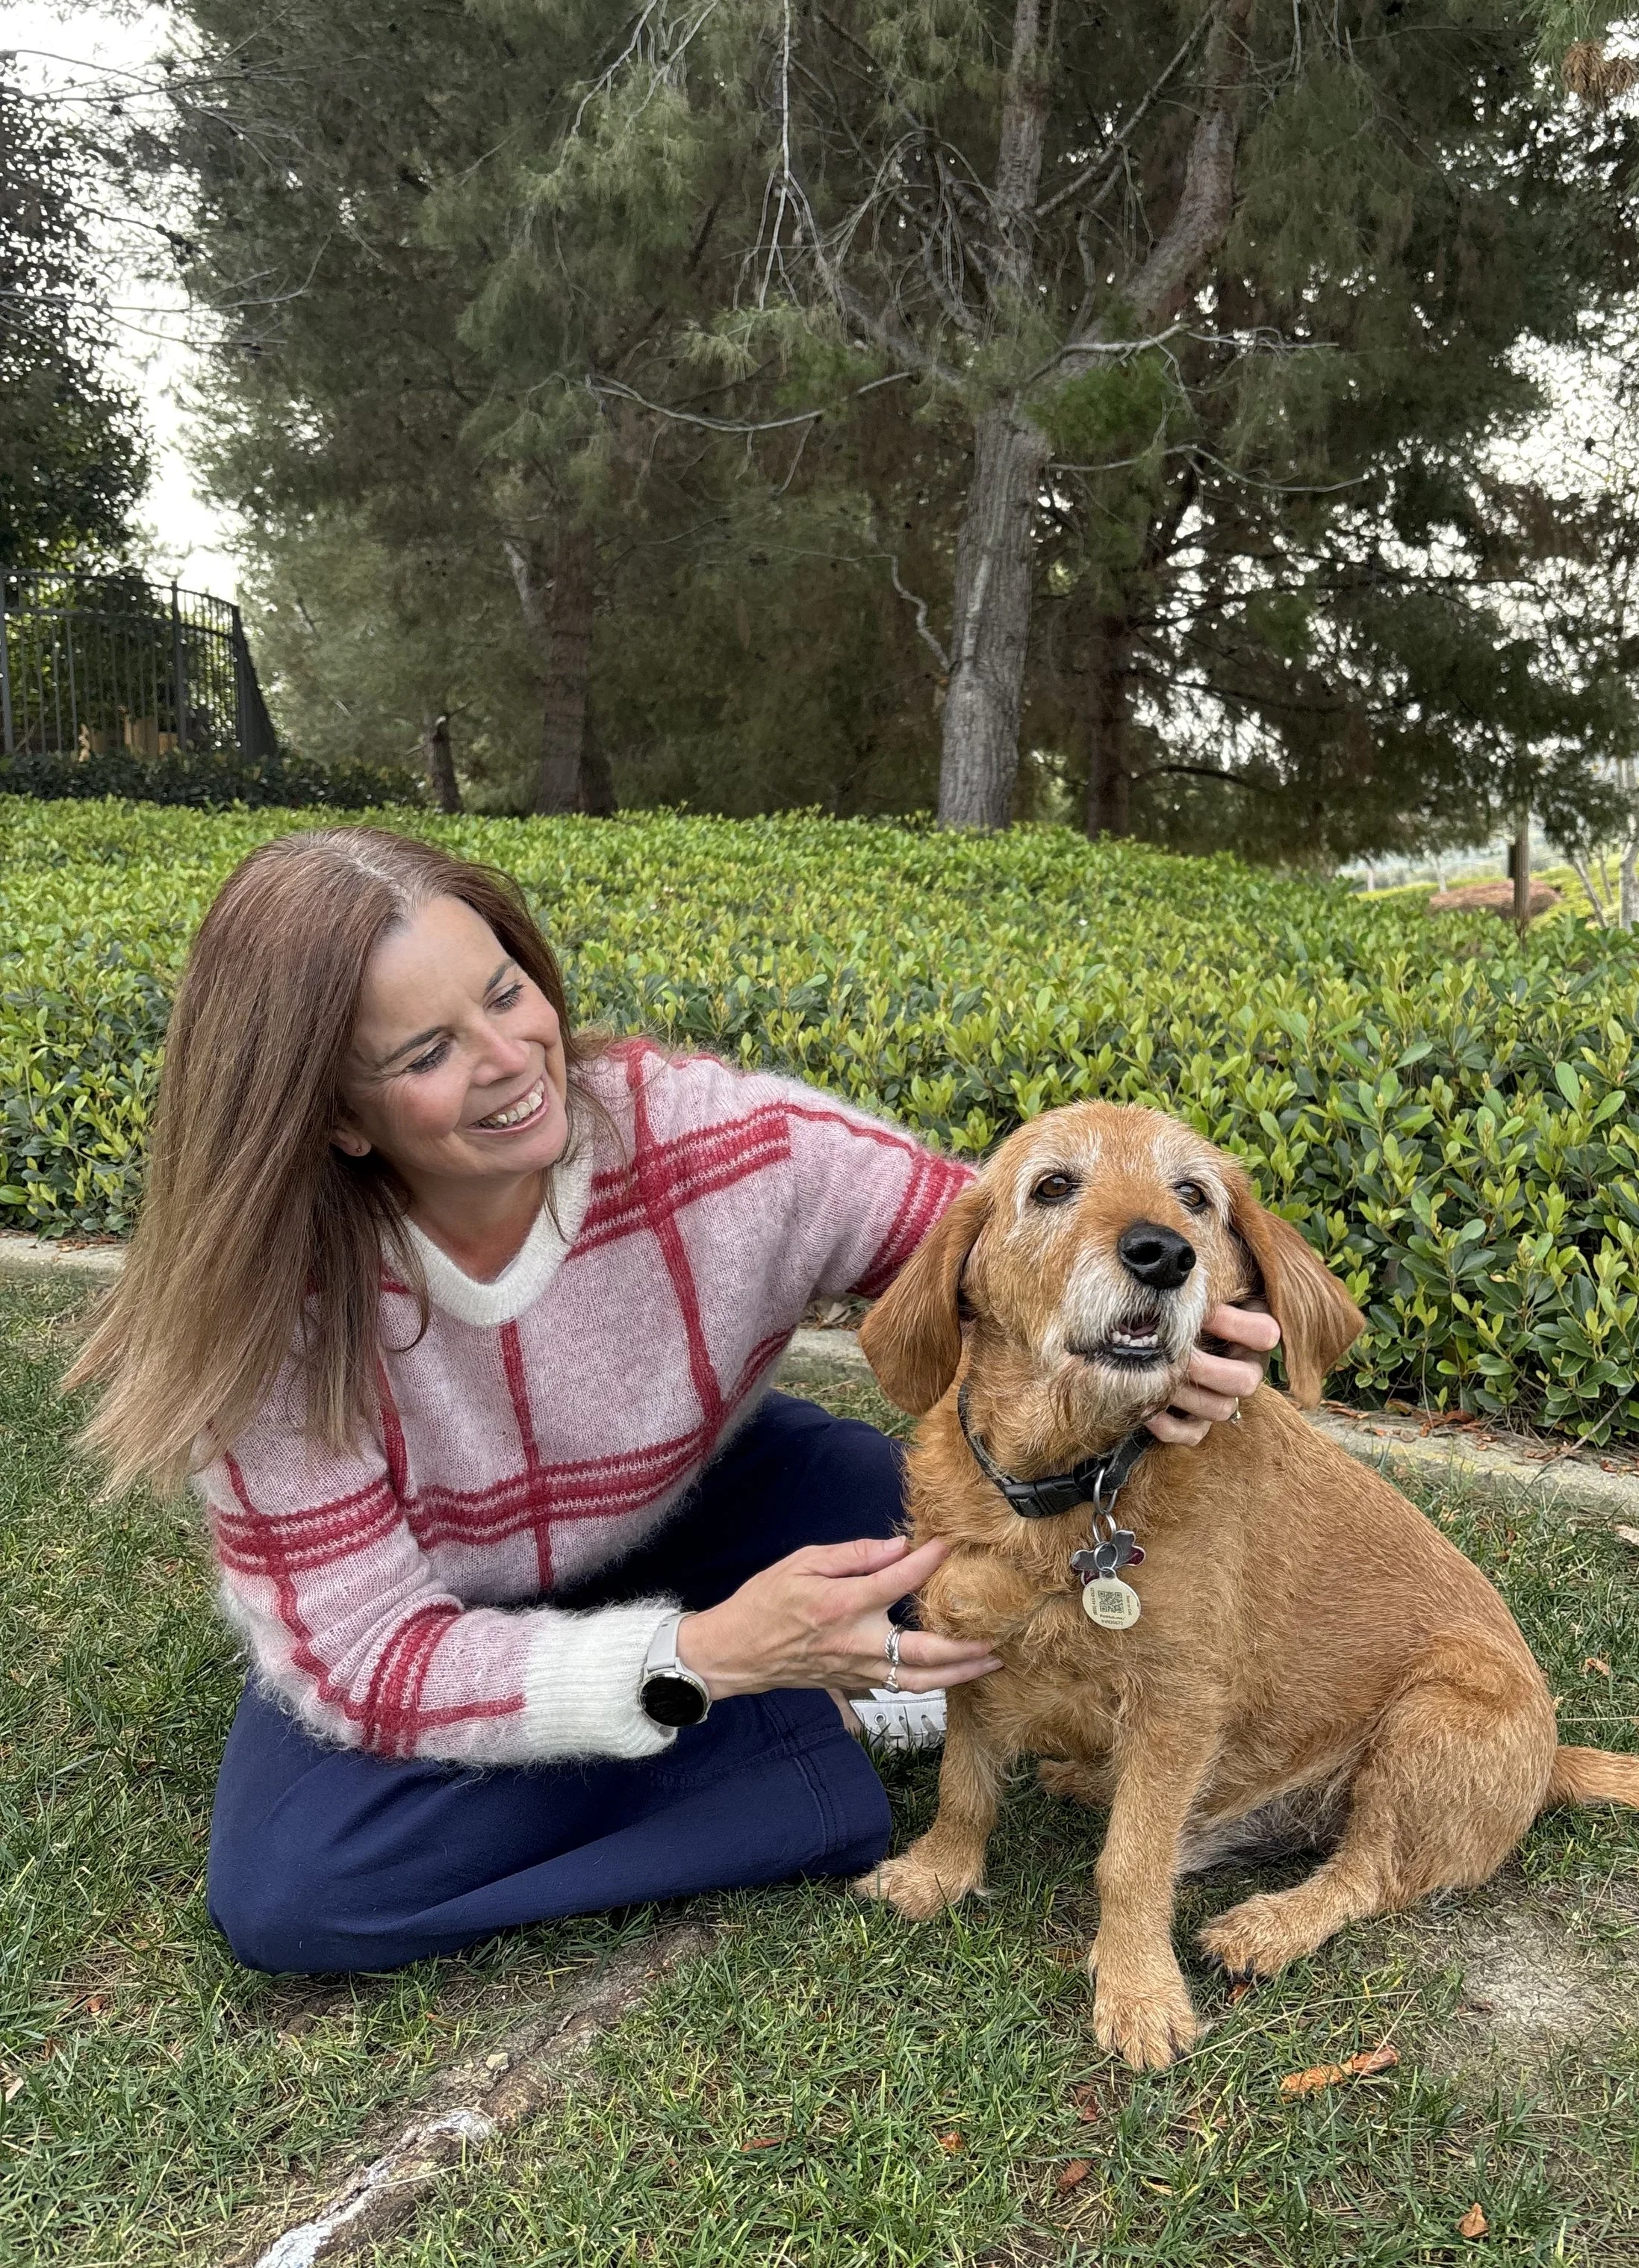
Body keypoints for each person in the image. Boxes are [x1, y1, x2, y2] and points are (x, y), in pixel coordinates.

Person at [69, 827, 1278, 1975]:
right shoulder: (263, 1313)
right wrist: (700, 1659)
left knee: (946, 1513)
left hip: (697, 1504)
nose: (508, 1061)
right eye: (424, 1053)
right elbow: (366, 1656)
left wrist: (1203, 1333)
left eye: (504, 994)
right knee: (297, 1884)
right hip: (442, 1603)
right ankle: (829, 1730)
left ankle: (838, 1676)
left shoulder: (714, 1139)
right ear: (333, 1114)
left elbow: (992, 1242)